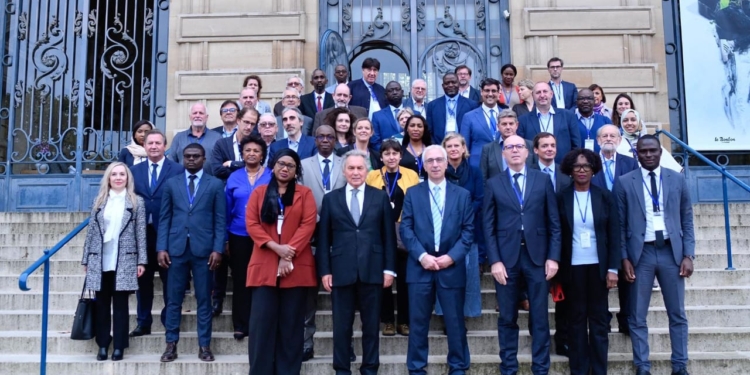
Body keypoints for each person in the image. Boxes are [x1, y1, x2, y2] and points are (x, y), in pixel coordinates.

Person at [615, 134, 695, 375]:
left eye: (652, 151)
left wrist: (689, 254)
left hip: (672, 252)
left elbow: (687, 219)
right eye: (643, 151)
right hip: (642, 254)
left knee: (677, 314)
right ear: (636, 154)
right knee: (637, 315)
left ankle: (680, 366)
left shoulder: (677, 180)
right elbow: (618, 224)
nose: (648, 155)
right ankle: (642, 366)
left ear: (660, 152)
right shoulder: (624, 182)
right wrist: (624, 257)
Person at [483, 134, 561, 375]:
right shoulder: (494, 183)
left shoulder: (542, 180)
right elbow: (488, 225)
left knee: (539, 317)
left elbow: (554, 222)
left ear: (528, 152)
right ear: (503, 153)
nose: (515, 150)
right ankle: (508, 367)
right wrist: (494, 260)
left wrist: (553, 257)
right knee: (507, 316)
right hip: (506, 259)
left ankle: (540, 368)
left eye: (519, 146)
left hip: (538, 258)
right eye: (509, 147)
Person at [316, 150, 397, 375]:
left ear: (367, 170)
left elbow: (388, 236)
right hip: (341, 271)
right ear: (344, 171)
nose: (355, 172)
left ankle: (370, 368)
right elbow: (324, 239)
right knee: (341, 327)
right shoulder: (331, 198)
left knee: (371, 326)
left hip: (373, 270)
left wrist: (389, 269)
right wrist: (325, 271)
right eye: (351, 168)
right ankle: (341, 369)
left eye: (360, 168)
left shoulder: (379, 196)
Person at [398, 144, 474, 374]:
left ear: (446, 162)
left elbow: (469, 231)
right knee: (418, 323)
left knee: (455, 322)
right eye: (429, 161)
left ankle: (458, 366)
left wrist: (451, 257)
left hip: (451, 267)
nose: (435, 164)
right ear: (423, 164)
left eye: (439, 160)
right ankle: (417, 368)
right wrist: (422, 256)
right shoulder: (413, 193)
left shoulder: (462, 195)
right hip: (420, 268)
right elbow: (406, 229)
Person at [245, 148, 318, 375]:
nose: (285, 168)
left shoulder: (304, 194)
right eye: (281, 164)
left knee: (291, 326)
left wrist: (289, 254)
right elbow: (252, 224)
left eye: (290, 166)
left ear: (297, 171)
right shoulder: (259, 193)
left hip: (295, 267)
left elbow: (308, 225)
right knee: (261, 326)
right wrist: (277, 249)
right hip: (264, 265)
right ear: (273, 166)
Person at [157, 143, 226, 363]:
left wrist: (218, 248)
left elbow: (219, 220)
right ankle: (170, 344)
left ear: (204, 158)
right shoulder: (171, 184)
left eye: (196, 156)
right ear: (182, 158)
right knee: (173, 299)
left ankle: (204, 345)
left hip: (204, 250)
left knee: (204, 299)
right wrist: (161, 247)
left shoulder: (215, 185)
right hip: (176, 249)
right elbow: (164, 218)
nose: (191, 159)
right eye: (187, 156)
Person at [557, 148, 621, 375]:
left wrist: (614, 268)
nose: (582, 170)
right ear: (570, 170)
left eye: (586, 166)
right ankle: (579, 369)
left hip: (599, 268)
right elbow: (557, 234)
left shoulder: (605, 196)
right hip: (571, 268)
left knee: (598, 321)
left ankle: (599, 369)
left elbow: (614, 235)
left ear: (594, 170)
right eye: (577, 166)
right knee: (575, 321)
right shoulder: (561, 197)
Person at [82, 162, 147, 361]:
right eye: (114, 174)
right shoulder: (100, 201)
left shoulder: (136, 202)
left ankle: (119, 345)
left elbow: (141, 233)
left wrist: (141, 261)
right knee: (101, 304)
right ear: (108, 178)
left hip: (125, 259)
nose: (118, 178)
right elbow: (91, 232)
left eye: (122, 174)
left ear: (128, 178)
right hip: (100, 259)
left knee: (120, 305)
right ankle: (103, 343)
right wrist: (86, 259)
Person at [298, 125, 349, 361]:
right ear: (315, 140)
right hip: (310, 233)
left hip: (340, 233)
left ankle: (344, 344)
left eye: (330, 136)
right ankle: (306, 343)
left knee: (341, 294)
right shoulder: (303, 164)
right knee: (308, 295)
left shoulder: (345, 163)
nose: (326, 140)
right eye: (321, 136)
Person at [129, 130, 185, 338]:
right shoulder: (134, 171)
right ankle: (143, 322)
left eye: (157, 143)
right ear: (144, 146)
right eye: (149, 143)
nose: (153, 146)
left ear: (165, 146)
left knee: (171, 281)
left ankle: (168, 319)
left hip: (169, 234)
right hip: (142, 235)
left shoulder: (178, 169)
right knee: (143, 283)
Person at [365, 139, 421, 337]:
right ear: (381, 157)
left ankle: (404, 321)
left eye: (395, 153)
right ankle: (387, 321)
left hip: (403, 232)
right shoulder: (371, 175)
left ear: (400, 156)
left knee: (405, 279)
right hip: (378, 232)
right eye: (387, 154)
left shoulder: (411, 175)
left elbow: (416, 203)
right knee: (383, 280)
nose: (391, 157)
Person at [592, 124, 639, 334]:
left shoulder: (631, 163)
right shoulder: (589, 163)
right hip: (598, 226)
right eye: (604, 135)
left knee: (627, 275)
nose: (609, 138)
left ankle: (626, 318)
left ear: (620, 140)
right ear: (598, 140)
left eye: (613, 135)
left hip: (626, 225)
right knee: (601, 274)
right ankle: (603, 318)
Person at [225, 134, 272, 340]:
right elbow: (226, 209)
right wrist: (225, 238)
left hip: (265, 237)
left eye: (256, 151)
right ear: (242, 154)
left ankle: (260, 323)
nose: (251, 154)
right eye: (247, 151)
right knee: (241, 279)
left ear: (263, 155)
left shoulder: (271, 175)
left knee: (262, 281)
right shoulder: (234, 177)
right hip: (239, 235)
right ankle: (240, 324)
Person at [437, 133, 482, 315]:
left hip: (469, 229)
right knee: (445, 276)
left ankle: (464, 315)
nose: (454, 149)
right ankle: (447, 315)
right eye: (449, 146)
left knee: (469, 275)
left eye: (457, 146)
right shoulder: (439, 171)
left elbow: (479, 198)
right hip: (444, 230)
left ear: (464, 148)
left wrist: (463, 216)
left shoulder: (475, 171)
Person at [517, 82, 582, 163]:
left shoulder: (568, 116)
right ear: (533, 96)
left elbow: (576, 145)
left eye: (545, 91)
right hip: (535, 169)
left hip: (563, 168)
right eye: (538, 92)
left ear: (551, 94)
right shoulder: (523, 120)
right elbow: (521, 147)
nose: (542, 95)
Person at [460, 77, 509, 168]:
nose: (490, 94)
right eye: (487, 90)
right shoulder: (469, 116)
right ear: (481, 92)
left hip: (503, 164)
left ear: (499, 93)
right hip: (477, 164)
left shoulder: (507, 115)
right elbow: (464, 145)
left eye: (493, 91)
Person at [617, 109, 682, 172]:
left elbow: (666, 160)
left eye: (633, 120)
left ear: (639, 122)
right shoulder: (618, 142)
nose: (629, 123)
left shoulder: (648, 140)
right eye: (625, 120)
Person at [479, 109, 536, 180]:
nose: (508, 127)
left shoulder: (530, 145)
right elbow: (483, 178)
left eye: (511, 124)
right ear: (498, 126)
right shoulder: (488, 149)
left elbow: (536, 173)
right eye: (504, 124)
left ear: (517, 125)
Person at [425, 73, 479, 145]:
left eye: (453, 82)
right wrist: (436, 148)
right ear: (443, 86)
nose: (450, 85)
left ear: (458, 84)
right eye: (447, 83)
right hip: (439, 148)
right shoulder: (432, 105)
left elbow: (474, 131)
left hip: (463, 148)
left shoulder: (471, 105)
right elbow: (429, 131)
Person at [168, 102, 222, 174]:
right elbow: (171, 162)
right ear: (190, 117)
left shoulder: (217, 137)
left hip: (209, 182)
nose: (197, 115)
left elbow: (221, 162)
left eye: (201, 113)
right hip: (182, 182)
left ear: (206, 117)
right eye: (195, 113)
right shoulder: (179, 137)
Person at [211, 107, 260, 181]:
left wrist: (231, 164)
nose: (249, 127)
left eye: (252, 124)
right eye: (246, 122)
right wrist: (243, 170)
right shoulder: (222, 144)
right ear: (238, 120)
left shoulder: (258, 144)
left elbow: (257, 167)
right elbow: (217, 170)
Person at [371, 81, 407, 149]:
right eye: (391, 90)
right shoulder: (377, 116)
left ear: (402, 92)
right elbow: (375, 142)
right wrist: (388, 154)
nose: (394, 92)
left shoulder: (414, 114)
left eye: (397, 89)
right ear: (385, 95)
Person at [575, 88, 612, 153]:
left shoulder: (605, 121)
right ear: (576, 101)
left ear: (594, 101)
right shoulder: (569, 121)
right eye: (581, 98)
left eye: (589, 98)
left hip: (600, 161)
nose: (585, 101)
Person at [400, 115, 432, 180]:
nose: (416, 129)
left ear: (424, 129)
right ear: (407, 129)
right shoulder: (400, 151)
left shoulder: (432, 150)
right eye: (412, 126)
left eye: (419, 126)